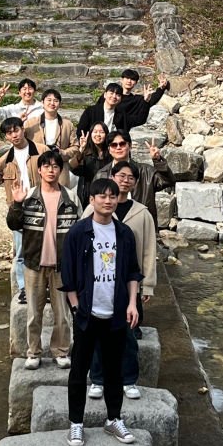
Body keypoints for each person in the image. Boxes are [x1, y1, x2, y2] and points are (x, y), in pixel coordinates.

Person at [61, 177, 143, 446]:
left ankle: (114, 419)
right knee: (79, 370)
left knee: (114, 370)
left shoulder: (124, 233)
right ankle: (76, 423)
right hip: (87, 313)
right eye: (103, 196)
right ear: (91, 200)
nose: (108, 201)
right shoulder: (78, 232)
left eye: (113, 196)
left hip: (116, 312)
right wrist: (76, 307)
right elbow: (68, 275)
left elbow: (132, 272)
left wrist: (132, 303)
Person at [85, 160, 157, 403]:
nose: (125, 180)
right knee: (97, 334)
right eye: (121, 176)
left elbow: (148, 251)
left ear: (135, 183)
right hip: (98, 283)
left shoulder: (142, 213)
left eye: (130, 177)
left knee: (128, 335)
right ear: (112, 176)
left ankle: (128, 380)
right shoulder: (94, 208)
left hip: (128, 284)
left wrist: (147, 285)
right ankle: (98, 379)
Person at [6, 149, 80, 370]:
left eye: (55, 166)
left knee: (62, 314)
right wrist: (16, 204)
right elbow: (13, 224)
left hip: (62, 265)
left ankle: (61, 351)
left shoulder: (70, 197)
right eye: (46, 166)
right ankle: (33, 352)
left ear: (60, 170)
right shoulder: (29, 196)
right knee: (33, 313)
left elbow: (79, 230)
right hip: (34, 264)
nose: (51, 170)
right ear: (39, 170)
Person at [0, 115, 36, 306]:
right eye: (9, 133)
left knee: (43, 248)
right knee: (21, 251)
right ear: (6, 137)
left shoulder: (40, 151)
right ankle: (23, 288)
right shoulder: (5, 159)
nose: (14, 135)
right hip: (18, 209)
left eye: (16, 130)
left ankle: (44, 286)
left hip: (39, 206)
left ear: (23, 129)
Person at [94, 130, 174, 226]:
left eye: (122, 144)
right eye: (114, 145)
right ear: (109, 149)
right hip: (109, 224)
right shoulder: (101, 175)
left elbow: (167, 181)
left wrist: (157, 160)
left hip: (140, 223)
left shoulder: (145, 171)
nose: (118, 147)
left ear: (130, 146)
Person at [25, 88, 78, 186]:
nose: (52, 103)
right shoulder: (31, 123)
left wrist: (63, 152)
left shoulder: (67, 125)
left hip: (60, 168)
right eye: (49, 100)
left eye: (56, 101)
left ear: (59, 104)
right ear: (42, 102)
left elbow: (75, 147)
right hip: (37, 167)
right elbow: (20, 141)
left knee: (60, 194)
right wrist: (20, 123)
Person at [68, 121, 111, 207]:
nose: (98, 135)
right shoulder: (86, 154)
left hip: (108, 194)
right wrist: (81, 149)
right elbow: (73, 168)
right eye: (95, 132)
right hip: (89, 196)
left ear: (106, 134)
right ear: (91, 134)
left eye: (101, 132)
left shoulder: (111, 153)